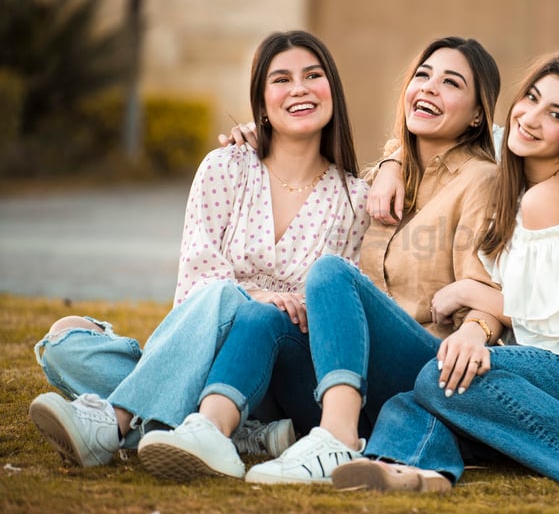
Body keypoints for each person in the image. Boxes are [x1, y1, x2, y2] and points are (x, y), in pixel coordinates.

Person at [330, 52, 559, 492]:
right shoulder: (511, 146)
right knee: (424, 389)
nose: (530, 118)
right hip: (550, 375)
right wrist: (391, 166)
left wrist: (469, 294)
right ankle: (417, 470)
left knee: (438, 375)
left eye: (555, 114)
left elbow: (552, 325)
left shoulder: (549, 198)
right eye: (530, 98)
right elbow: (427, 132)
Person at [28, 30, 370, 481]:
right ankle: (243, 433)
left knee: (234, 302)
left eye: (313, 75)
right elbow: (197, 282)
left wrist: (260, 304)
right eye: (281, 79)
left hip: (282, 368)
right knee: (63, 342)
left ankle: (116, 420)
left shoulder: (356, 199)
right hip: (202, 345)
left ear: (333, 91)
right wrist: (257, 294)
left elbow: (343, 307)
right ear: (261, 101)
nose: (300, 88)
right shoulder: (225, 167)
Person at [222, 36, 504, 485]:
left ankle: (336, 438)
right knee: (266, 316)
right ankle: (212, 431)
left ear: (476, 115)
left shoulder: (481, 181)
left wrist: (478, 327)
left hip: (425, 366)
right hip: (354, 374)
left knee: (332, 273)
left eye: (451, 83)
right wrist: (263, 138)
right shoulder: (377, 181)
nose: (429, 88)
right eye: (423, 76)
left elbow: (487, 292)